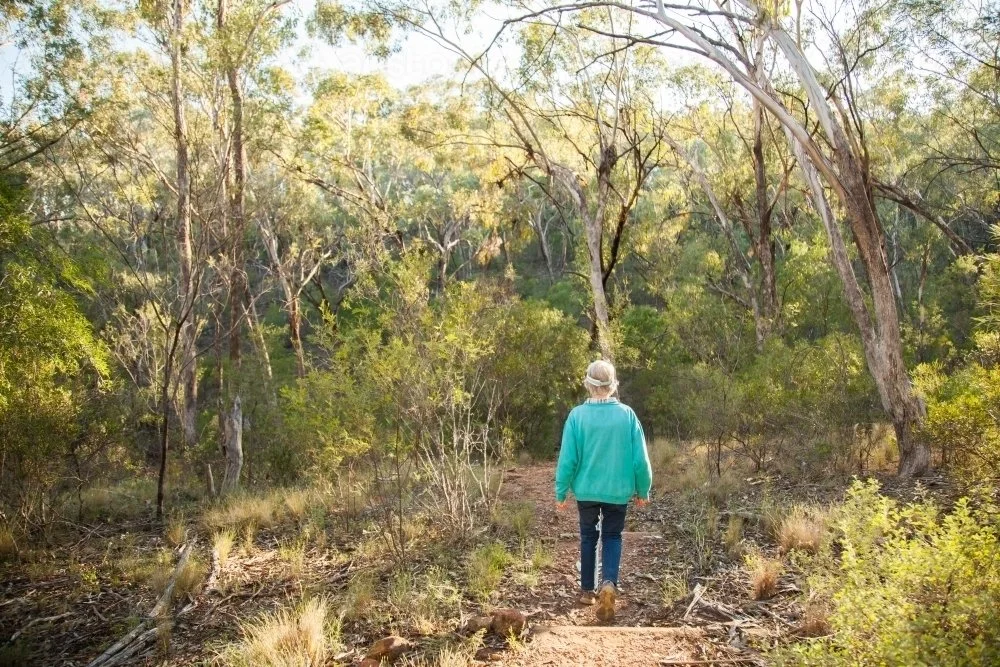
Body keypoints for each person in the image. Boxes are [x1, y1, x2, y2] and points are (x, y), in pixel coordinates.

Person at [554, 359, 653, 623]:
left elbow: (568, 459)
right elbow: (640, 460)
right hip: (617, 491)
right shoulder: (627, 415)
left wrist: (561, 491)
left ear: (588, 383)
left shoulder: (577, 416)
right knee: (612, 535)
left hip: (586, 491)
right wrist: (643, 490)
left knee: (588, 536)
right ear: (613, 385)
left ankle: (587, 590)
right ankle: (608, 582)